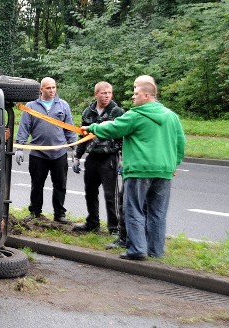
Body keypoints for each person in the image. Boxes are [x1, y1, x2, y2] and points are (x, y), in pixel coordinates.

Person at [83, 75, 185, 260]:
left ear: (146, 96)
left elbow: (112, 129)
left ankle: (137, 249)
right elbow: (180, 144)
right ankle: (156, 250)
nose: (133, 96)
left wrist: (92, 129)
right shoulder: (171, 117)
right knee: (157, 213)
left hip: (139, 171)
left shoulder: (136, 115)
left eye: (136, 93)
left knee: (134, 210)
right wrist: (174, 165)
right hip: (163, 172)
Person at [15, 77, 77, 224]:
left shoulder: (63, 105)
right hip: (38, 153)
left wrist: (75, 148)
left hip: (59, 153)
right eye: (48, 88)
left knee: (60, 184)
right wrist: (19, 147)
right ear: (41, 89)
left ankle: (59, 214)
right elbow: (24, 128)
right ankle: (35, 212)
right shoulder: (31, 106)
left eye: (54, 87)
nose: (52, 91)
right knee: (37, 184)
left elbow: (69, 127)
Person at [71, 82, 125, 243]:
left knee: (111, 195)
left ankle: (114, 227)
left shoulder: (117, 112)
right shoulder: (88, 112)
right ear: (96, 94)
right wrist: (76, 156)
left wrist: (121, 158)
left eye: (109, 93)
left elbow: (123, 136)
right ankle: (92, 223)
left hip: (109, 157)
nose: (107, 95)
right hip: (93, 157)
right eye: (103, 93)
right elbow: (83, 136)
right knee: (90, 192)